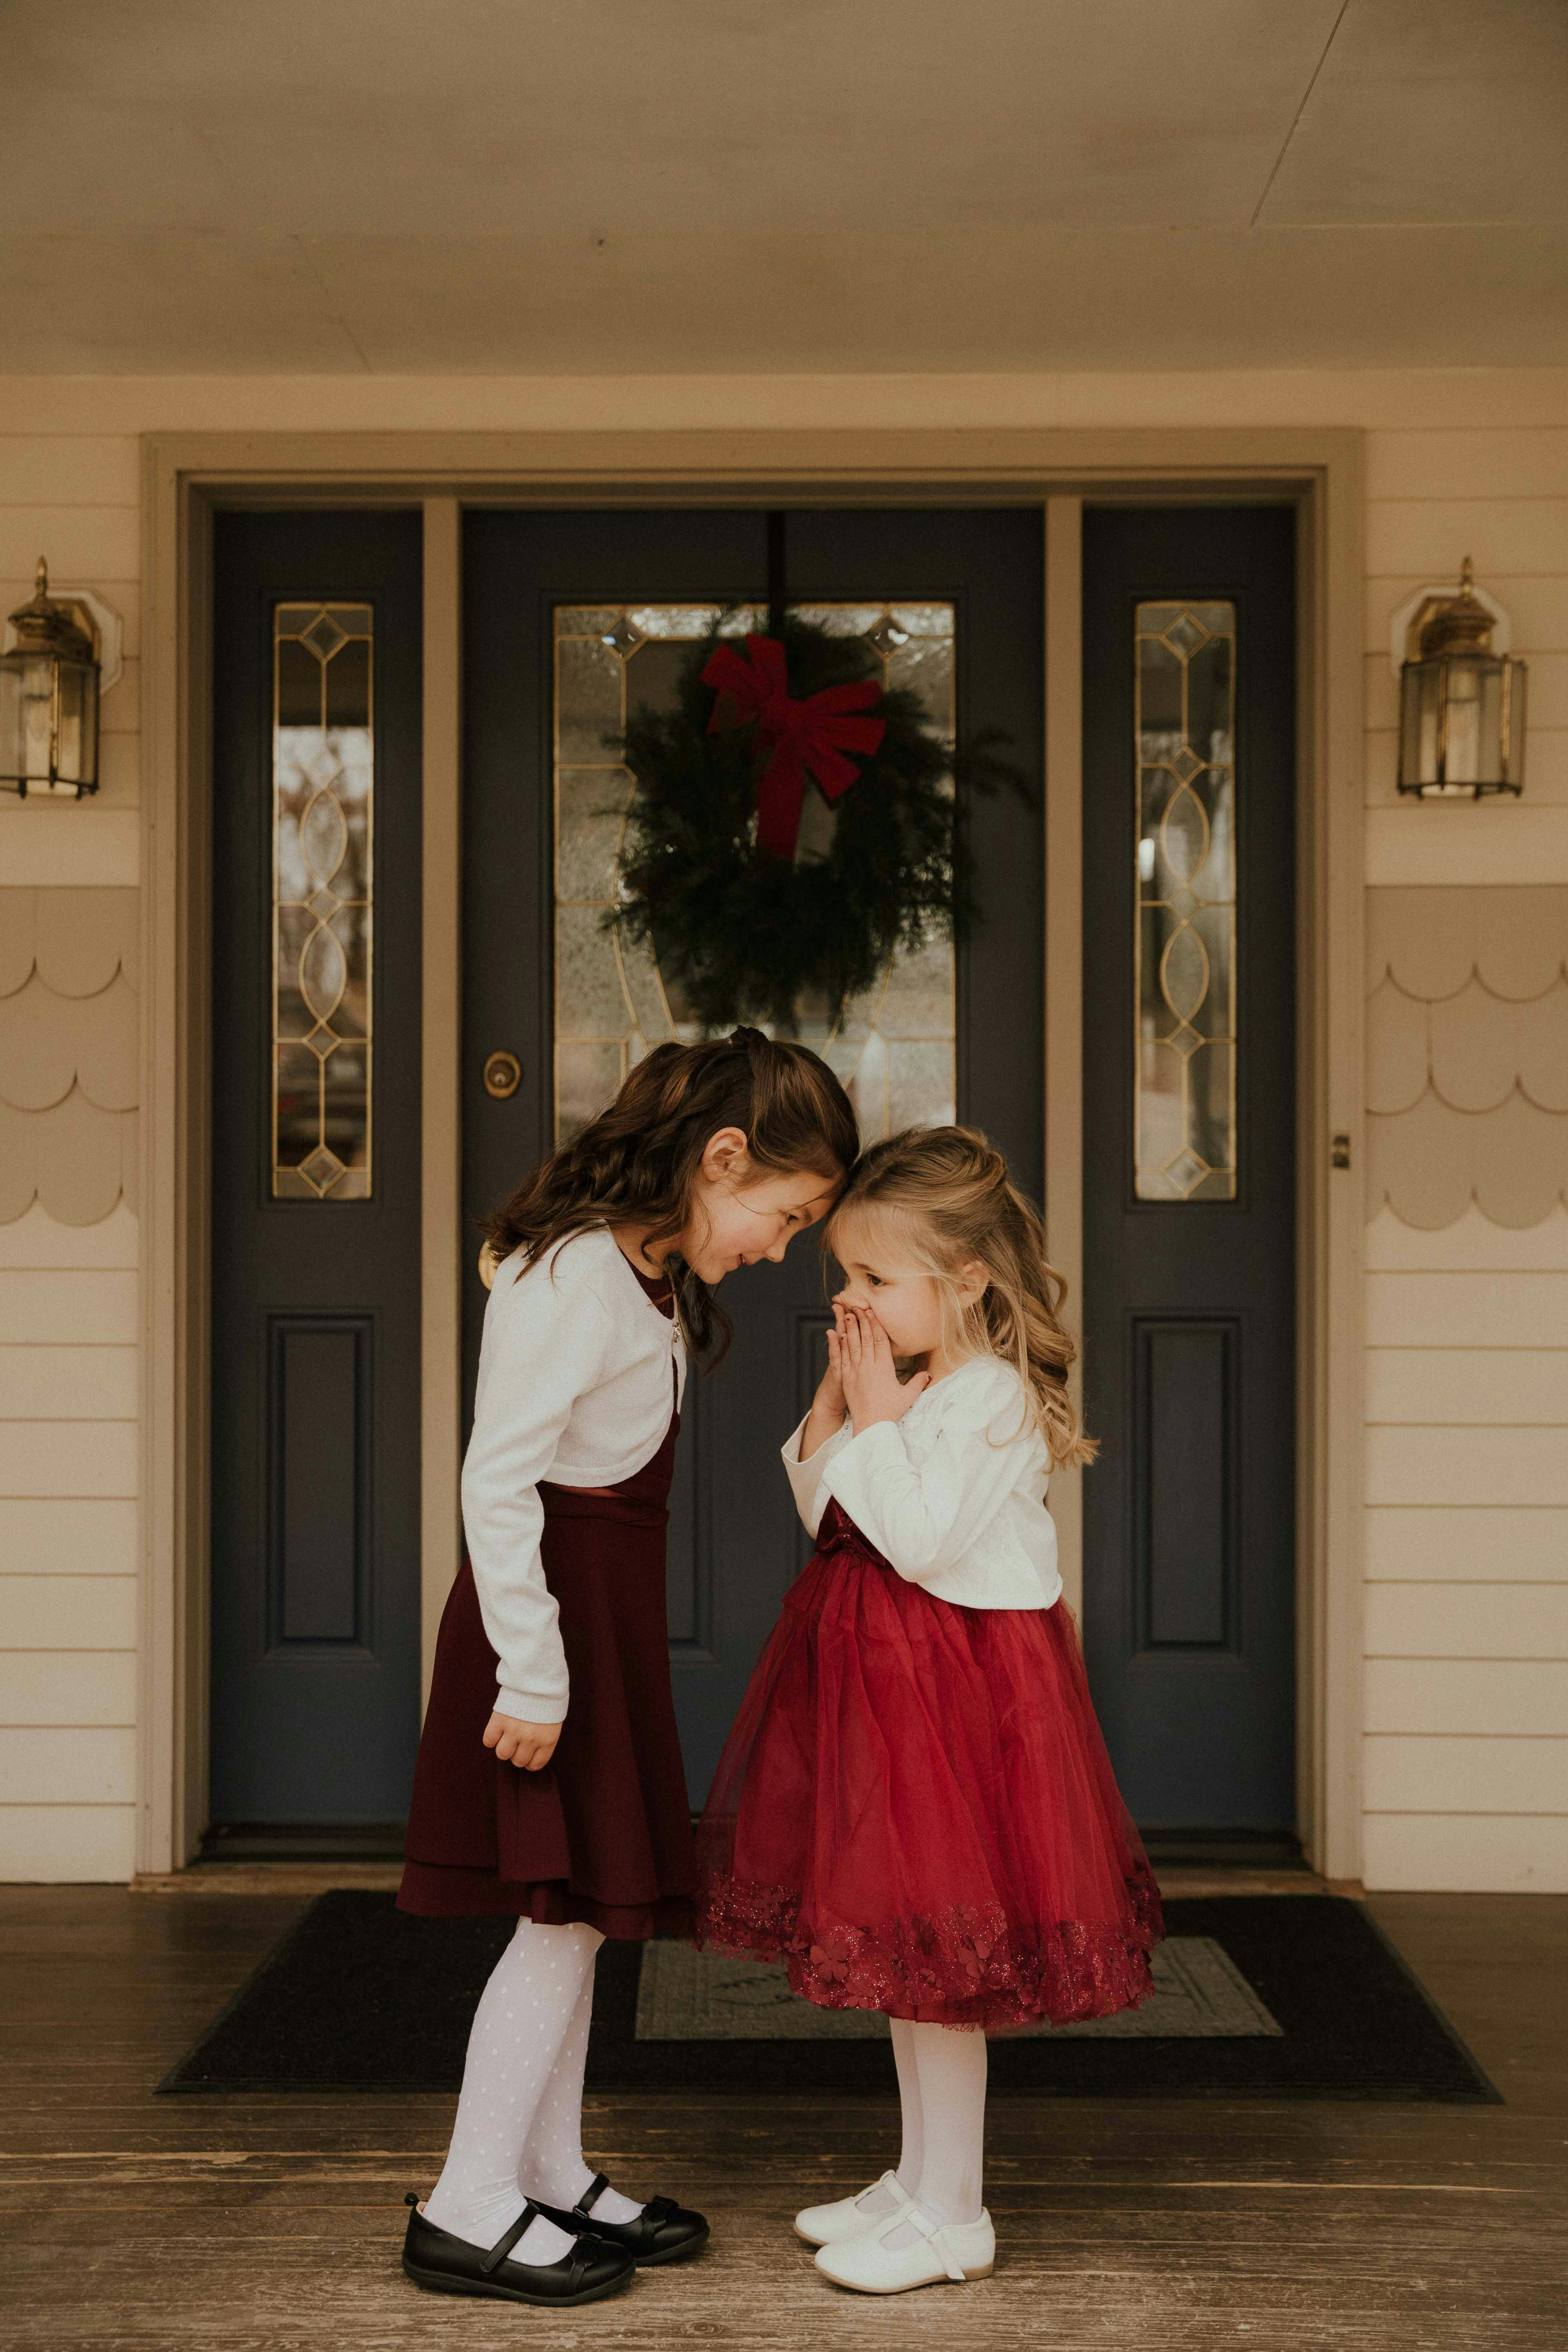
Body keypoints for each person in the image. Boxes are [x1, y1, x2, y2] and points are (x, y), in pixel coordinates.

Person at [398, 1030, 858, 2310]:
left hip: (597, 1619)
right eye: (783, 1212)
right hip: (542, 1625)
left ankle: (546, 2164)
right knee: (561, 1916)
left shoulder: (644, 1275)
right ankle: (466, 2199)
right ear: (719, 1159)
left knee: (591, 1909)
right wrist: (532, 1674)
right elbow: (499, 1477)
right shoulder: (572, 1278)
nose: (778, 1247)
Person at [693, 1125, 1162, 2296]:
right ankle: (915, 2177)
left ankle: (956, 2211)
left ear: (967, 1282)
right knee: (903, 1951)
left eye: (874, 1280)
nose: (851, 1299)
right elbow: (823, 1504)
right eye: (844, 1277)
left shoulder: (992, 1396)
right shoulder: (911, 1384)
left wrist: (883, 1416)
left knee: (945, 1956)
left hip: (960, 1703)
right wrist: (843, 1404)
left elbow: (917, 1537)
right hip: (883, 1690)